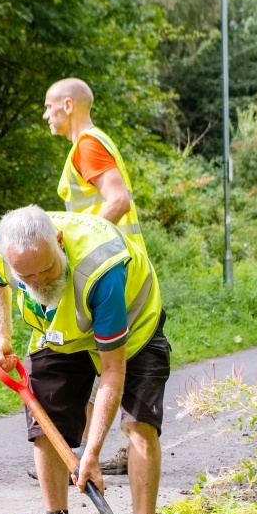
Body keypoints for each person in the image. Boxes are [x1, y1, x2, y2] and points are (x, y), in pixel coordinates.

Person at [0, 206, 171, 514]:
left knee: (139, 423)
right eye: (27, 277)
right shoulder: (2, 250)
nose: (38, 282)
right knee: (46, 425)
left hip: (132, 325)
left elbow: (112, 370)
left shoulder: (101, 272)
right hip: (60, 332)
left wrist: (92, 453)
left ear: (59, 241)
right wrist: (2, 337)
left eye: (46, 269)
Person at [42, 77, 148, 474]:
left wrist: (76, 248)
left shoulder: (87, 144)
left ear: (68, 105)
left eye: (49, 106)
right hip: (119, 263)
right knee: (102, 357)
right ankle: (89, 453)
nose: (46, 114)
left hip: (105, 268)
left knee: (95, 357)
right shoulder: (91, 143)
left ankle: (78, 456)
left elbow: (118, 200)